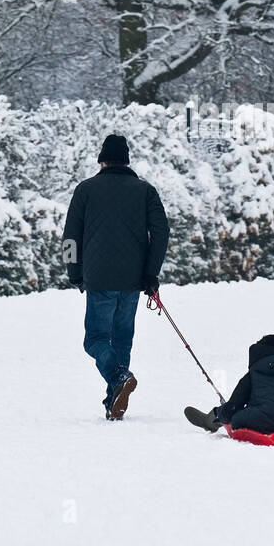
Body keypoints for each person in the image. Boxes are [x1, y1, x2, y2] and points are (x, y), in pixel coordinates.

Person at [62, 133, 169, 420]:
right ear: (127, 161)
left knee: (95, 339)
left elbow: (70, 237)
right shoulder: (145, 191)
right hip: (133, 280)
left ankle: (119, 379)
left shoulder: (85, 190)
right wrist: (150, 273)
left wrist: (75, 272)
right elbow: (161, 234)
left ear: (102, 160)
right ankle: (114, 398)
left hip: (98, 278)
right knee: (122, 340)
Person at [191, 334, 274, 434]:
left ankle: (210, 420)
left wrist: (223, 416)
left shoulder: (252, 375)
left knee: (232, 412)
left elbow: (235, 404)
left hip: (259, 422)